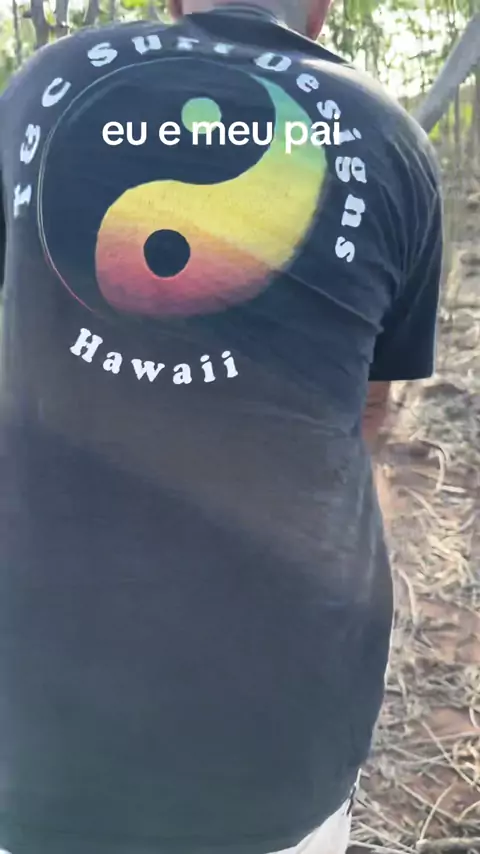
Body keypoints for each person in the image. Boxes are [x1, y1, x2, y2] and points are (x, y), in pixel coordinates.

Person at [0, 0, 442, 852]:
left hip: (36, 707)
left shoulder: (42, 86)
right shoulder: (391, 138)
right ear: (323, 10)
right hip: (281, 723)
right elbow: (368, 415)